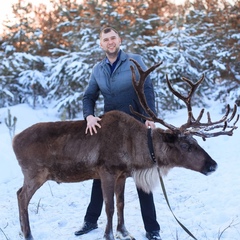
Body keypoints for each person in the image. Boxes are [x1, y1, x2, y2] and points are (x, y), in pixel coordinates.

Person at [74, 26, 161, 240]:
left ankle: (152, 230)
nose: (110, 42)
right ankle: (90, 221)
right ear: (101, 44)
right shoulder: (98, 69)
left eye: (113, 38)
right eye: (106, 39)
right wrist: (89, 116)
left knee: (142, 178)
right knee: (102, 176)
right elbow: (88, 97)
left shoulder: (134, 60)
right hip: (110, 133)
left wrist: (150, 116)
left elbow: (147, 89)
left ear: (119, 39)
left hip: (136, 129)